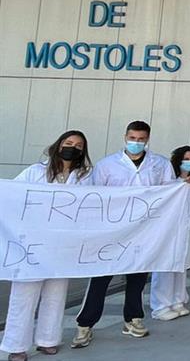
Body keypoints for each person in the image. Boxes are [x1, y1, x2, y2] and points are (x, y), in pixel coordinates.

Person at [73, 120, 174, 349]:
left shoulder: (159, 164)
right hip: (112, 231)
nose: (136, 143)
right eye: (132, 138)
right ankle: (85, 325)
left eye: (140, 139)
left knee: (138, 277)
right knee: (101, 278)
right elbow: (95, 196)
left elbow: (169, 193)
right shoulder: (107, 165)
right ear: (125, 137)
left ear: (147, 139)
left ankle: (133, 319)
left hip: (144, 230)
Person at [3, 131, 91, 361]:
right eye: (69, 143)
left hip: (62, 245)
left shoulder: (84, 176)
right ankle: (16, 345)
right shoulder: (35, 171)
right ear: (59, 144)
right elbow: (11, 195)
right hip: (31, 244)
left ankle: (48, 340)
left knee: (56, 293)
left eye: (79, 145)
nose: (73, 147)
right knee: (24, 295)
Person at [149, 146, 190, 321]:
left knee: (182, 264)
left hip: (189, 226)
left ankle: (178, 300)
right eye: (186, 158)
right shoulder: (168, 180)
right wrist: (182, 185)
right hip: (168, 227)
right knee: (166, 265)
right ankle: (160, 305)